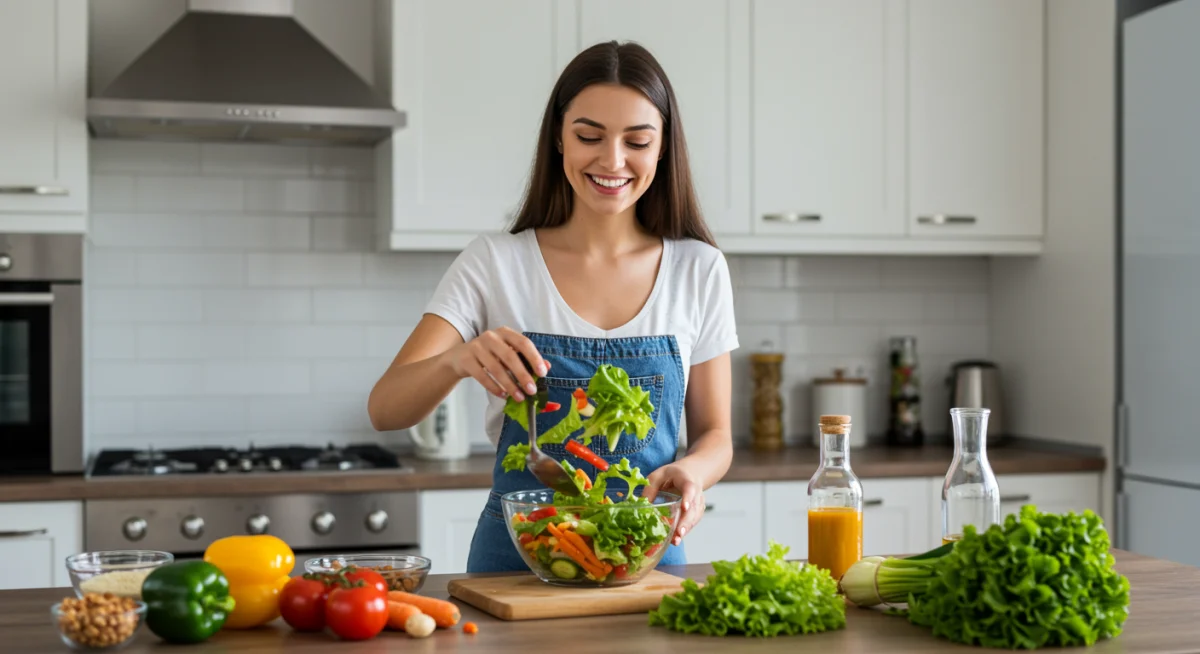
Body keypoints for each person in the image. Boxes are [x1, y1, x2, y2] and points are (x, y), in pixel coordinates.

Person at [367, 40, 739, 573]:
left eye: (637, 141)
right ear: (559, 140)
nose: (612, 161)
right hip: (518, 559)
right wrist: (459, 359)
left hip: (645, 551)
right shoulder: (494, 262)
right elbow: (385, 410)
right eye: (589, 136)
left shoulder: (698, 269)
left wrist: (696, 473)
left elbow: (716, 436)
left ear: (662, 149)